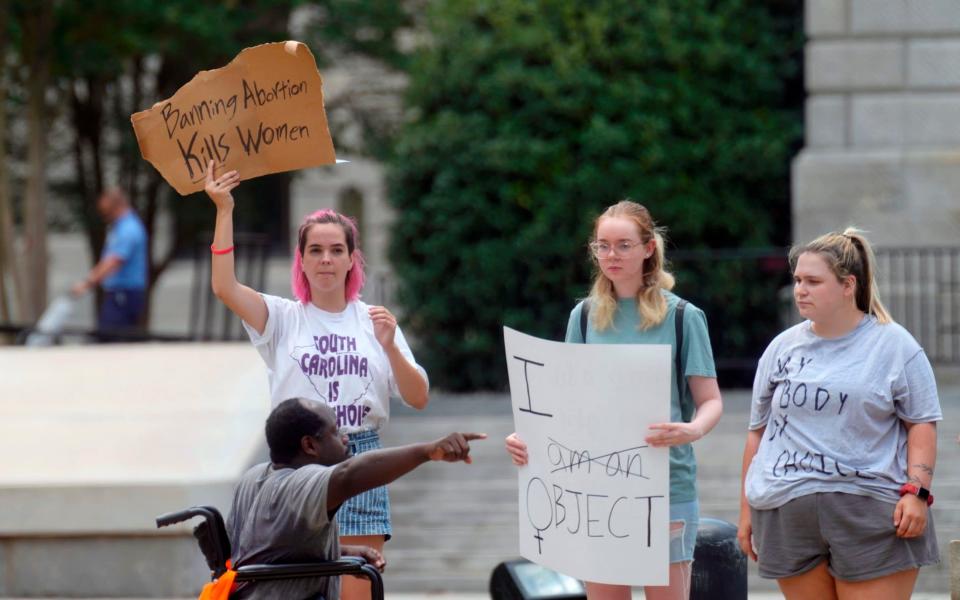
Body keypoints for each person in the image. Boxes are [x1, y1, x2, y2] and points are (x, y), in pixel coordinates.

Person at [203, 161, 429, 600]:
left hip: (358, 455)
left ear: (351, 259)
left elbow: (418, 396)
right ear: (301, 260)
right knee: (292, 587)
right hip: (296, 466)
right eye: (316, 251)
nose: (326, 259)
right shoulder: (283, 318)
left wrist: (391, 347)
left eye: (336, 250)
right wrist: (224, 209)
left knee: (355, 590)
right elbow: (225, 287)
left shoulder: (374, 322)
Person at [504, 200, 723, 600]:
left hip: (666, 486)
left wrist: (692, 429)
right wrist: (526, 437)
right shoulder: (584, 317)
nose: (611, 255)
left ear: (648, 248)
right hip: (596, 488)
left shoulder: (683, 316)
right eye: (602, 246)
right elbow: (564, 404)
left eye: (623, 245)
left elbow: (710, 401)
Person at [737, 228, 942, 600]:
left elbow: (921, 424)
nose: (801, 289)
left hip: (869, 513)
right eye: (798, 279)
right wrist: (746, 511)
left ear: (848, 285)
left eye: (813, 281)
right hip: (786, 511)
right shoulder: (781, 348)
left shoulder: (895, 345)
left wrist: (917, 492)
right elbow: (758, 432)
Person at [228, 397, 486, 599]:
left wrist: (342, 550)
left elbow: (272, 554)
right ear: (309, 446)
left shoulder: (255, 477)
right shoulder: (300, 483)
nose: (345, 438)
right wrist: (429, 451)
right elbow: (349, 474)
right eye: (335, 431)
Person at [71, 188, 148, 337]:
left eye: (108, 212)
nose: (106, 216)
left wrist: (87, 283)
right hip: (122, 294)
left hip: (124, 294)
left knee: (111, 341)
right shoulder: (123, 227)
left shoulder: (128, 229)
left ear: (117, 206)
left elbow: (114, 261)